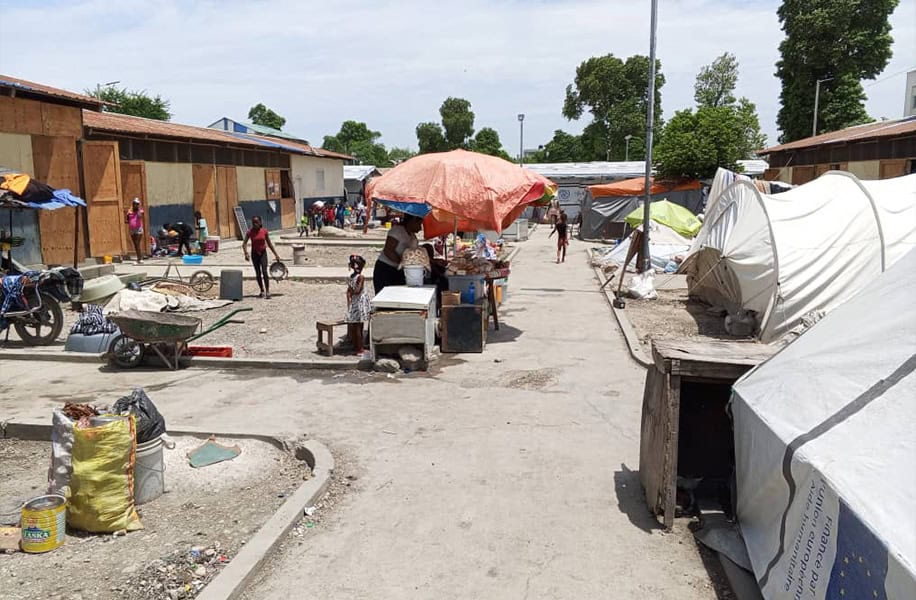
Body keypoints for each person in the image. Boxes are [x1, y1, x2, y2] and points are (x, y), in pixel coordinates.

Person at [373, 214, 423, 295]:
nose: (420, 228)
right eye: (419, 224)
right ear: (413, 220)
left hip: (399, 271)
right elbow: (388, 251)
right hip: (386, 270)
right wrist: (402, 263)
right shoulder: (397, 231)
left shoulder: (412, 237)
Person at [242, 216, 281, 299]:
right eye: (253, 222)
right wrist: (246, 253)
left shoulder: (264, 231)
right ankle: (262, 290)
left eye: (256, 222)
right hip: (254, 254)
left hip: (263, 253)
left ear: (260, 222)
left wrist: (276, 254)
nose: (254, 224)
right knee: (258, 273)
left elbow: (269, 244)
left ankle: (267, 291)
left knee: (264, 271)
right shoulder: (250, 232)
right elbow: (244, 243)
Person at [345, 254, 371, 355]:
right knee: (359, 327)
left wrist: (349, 302)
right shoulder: (361, 277)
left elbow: (348, 292)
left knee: (355, 326)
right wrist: (353, 290)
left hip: (354, 303)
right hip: (360, 303)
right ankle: (360, 349)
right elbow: (358, 290)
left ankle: (356, 347)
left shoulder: (351, 277)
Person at [124, 198, 145, 264]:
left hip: (138, 229)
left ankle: (140, 258)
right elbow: (127, 220)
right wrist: (128, 215)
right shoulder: (129, 211)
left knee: (137, 243)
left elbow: (140, 216)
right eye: (135, 204)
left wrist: (138, 209)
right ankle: (138, 258)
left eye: (137, 204)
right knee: (135, 244)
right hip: (132, 229)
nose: (136, 205)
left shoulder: (140, 211)